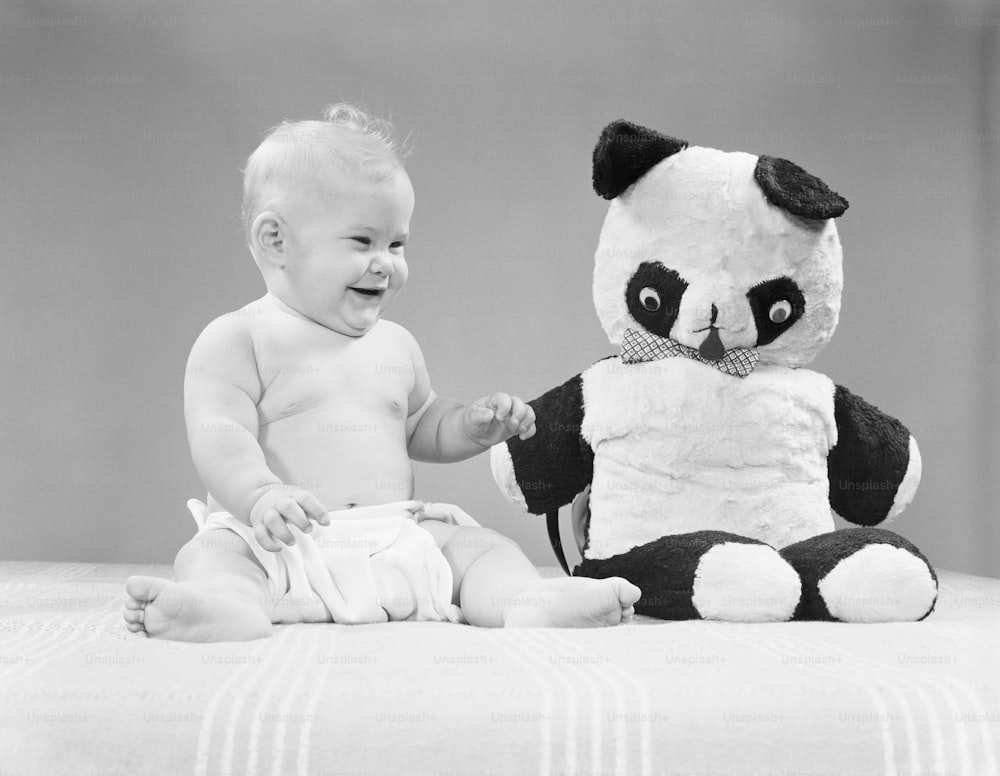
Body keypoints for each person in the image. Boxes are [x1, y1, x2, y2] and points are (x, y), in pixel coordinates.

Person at [123, 104, 640, 641]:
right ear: (276, 241)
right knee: (212, 553)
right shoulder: (240, 337)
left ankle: (523, 601)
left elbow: (420, 424)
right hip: (276, 537)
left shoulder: (395, 344)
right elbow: (220, 433)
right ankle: (225, 606)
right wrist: (259, 496)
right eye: (362, 241)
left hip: (394, 537)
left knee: (478, 548)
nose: (386, 262)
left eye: (397, 243)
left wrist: (470, 425)